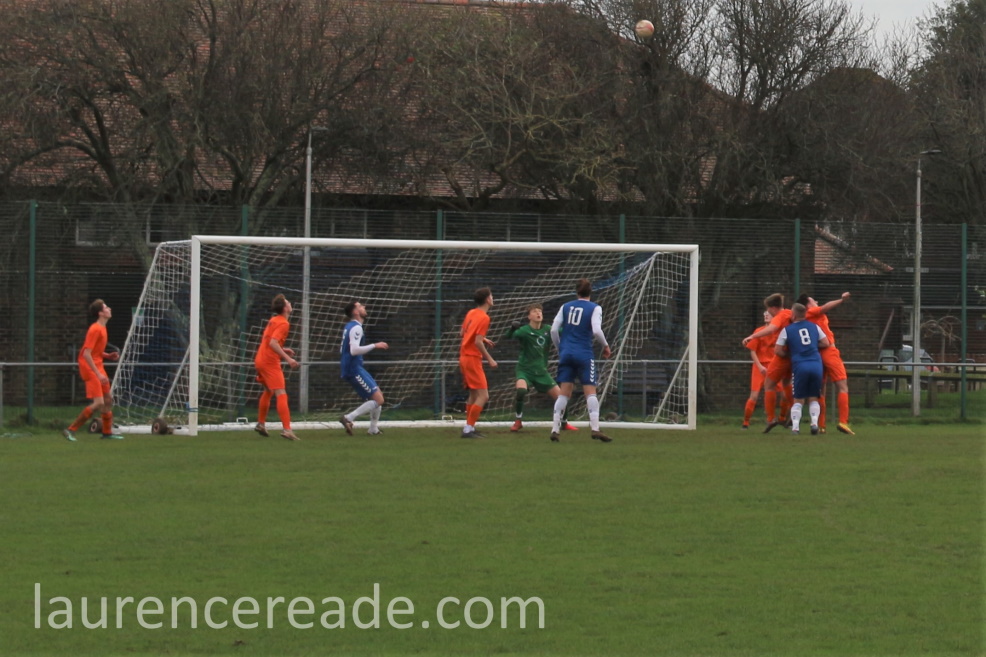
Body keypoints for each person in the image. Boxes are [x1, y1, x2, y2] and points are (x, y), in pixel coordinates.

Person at [549, 278, 612, 443]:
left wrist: (560, 348)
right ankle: (595, 428)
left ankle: (555, 429)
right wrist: (605, 346)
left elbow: (554, 330)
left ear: (576, 291)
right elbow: (597, 331)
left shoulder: (565, 306)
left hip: (566, 353)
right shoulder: (595, 308)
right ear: (591, 291)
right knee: (590, 391)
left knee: (564, 392)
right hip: (583, 353)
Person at [504, 303, 576, 433]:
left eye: (540, 311)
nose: (538, 313)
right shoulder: (524, 331)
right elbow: (508, 337)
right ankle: (518, 421)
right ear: (529, 316)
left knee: (561, 397)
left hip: (541, 372)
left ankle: (564, 423)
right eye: (534, 311)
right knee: (521, 391)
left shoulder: (548, 330)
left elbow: (564, 332)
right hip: (525, 370)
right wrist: (512, 329)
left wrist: (573, 325)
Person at [63, 299, 124, 441]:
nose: (109, 309)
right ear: (100, 313)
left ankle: (107, 433)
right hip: (89, 367)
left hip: (97, 365)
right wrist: (98, 374)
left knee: (107, 400)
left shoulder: (102, 328)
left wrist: (107, 355)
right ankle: (70, 430)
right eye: (106, 307)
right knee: (99, 403)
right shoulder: (95, 329)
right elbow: (86, 354)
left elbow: (95, 351)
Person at [796, 291, 854, 435]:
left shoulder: (804, 319)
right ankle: (843, 421)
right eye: (813, 300)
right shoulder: (812, 312)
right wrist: (841, 300)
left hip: (816, 354)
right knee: (842, 386)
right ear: (808, 306)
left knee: (820, 390)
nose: (816, 301)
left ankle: (821, 425)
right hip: (829, 351)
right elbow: (825, 307)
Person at [741, 293, 795, 433]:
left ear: (773, 308)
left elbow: (772, 328)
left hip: (779, 359)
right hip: (790, 355)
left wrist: (751, 336)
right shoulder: (790, 313)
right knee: (786, 384)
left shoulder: (778, 318)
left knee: (770, 386)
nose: (768, 314)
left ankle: (773, 418)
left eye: (768, 311)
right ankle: (795, 413)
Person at [775, 303, 831, 435]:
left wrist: (791, 353)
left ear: (793, 315)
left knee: (798, 399)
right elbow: (826, 342)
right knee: (814, 397)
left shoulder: (787, 330)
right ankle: (814, 424)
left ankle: (795, 427)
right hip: (816, 364)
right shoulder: (815, 327)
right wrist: (812, 346)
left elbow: (777, 350)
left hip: (800, 365)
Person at [253, 293, 300, 441]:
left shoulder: (274, 320)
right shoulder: (284, 323)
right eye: (288, 302)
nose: (290, 304)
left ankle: (261, 424)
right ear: (285, 308)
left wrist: (283, 349)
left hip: (260, 359)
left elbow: (268, 341)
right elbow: (273, 343)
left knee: (269, 390)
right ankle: (287, 430)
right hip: (269, 362)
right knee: (281, 392)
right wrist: (288, 359)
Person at [339, 301, 389, 436]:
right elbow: (354, 350)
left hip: (356, 367)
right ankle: (348, 418)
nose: (364, 307)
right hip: (353, 369)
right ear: (355, 312)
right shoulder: (356, 328)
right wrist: (375, 345)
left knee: (378, 396)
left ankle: (373, 429)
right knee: (378, 400)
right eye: (360, 306)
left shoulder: (350, 326)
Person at [459, 287, 498, 438]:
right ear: (487, 299)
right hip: (472, 358)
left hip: (464, 357)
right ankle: (468, 429)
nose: (493, 298)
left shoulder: (471, 312)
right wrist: (490, 359)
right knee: (484, 396)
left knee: (474, 394)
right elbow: (477, 342)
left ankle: (469, 427)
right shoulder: (484, 317)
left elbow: (462, 333)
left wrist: (483, 339)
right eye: (491, 296)